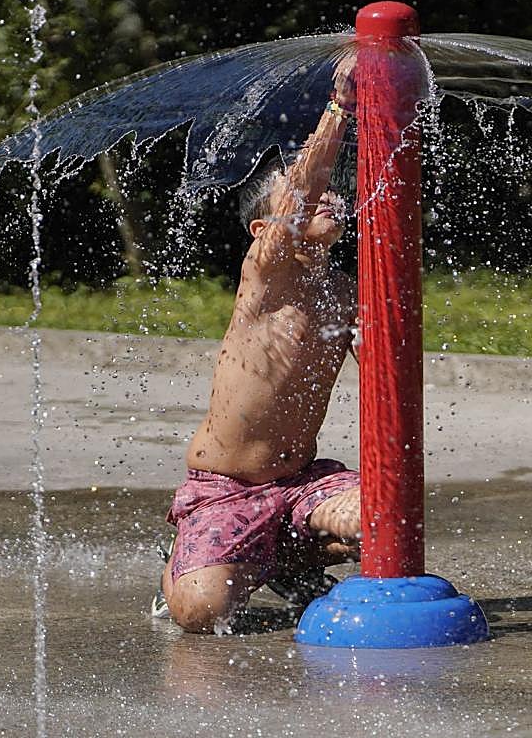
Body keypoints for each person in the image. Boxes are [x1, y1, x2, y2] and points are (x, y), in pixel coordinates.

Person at [154, 53, 361, 633]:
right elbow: (299, 196)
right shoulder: (265, 279)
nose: (327, 197)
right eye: (304, 197)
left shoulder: (345, 292)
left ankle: (285, 553)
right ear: (263, 232)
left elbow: (384, 380)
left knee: (388, 521)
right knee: (203, 614)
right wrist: (340, 108)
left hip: (300, 482)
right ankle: (188, 564)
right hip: (228, 487)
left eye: (330, 193)